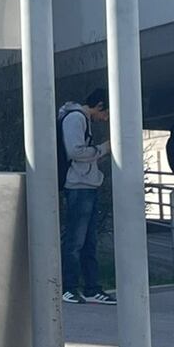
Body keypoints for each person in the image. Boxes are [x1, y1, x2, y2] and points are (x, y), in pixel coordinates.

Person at [58, 88, 116, 305]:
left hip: (86, 184)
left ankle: (91, 288)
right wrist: (103, 149)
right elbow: (75, 151)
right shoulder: (76, 118)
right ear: (99, 105)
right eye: (107, 112)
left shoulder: (79, 118)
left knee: (88, 241)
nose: (106, 118)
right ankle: (69, 287)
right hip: (78, 184)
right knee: (75, 239)